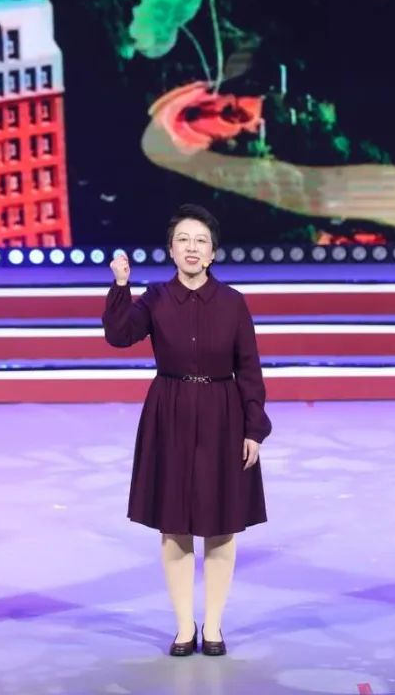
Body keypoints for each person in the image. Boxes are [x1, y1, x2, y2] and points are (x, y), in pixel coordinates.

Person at [102, 203, 271, 656]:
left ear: (213, 253)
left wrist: (253, 428)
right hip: (170, 412)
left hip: (223, 413)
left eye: (200, 241)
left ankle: (213, 626)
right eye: (183, 240)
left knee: (222, 525)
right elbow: (119, 335)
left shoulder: (233, 302)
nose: (192, 248)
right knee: (174, 524)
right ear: (171, 250)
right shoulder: (155, 298)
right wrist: (121, 286)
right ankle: (183, 627)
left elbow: (250, 369)